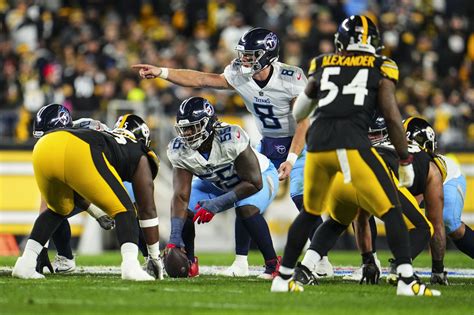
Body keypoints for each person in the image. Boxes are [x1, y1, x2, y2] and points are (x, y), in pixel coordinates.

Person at [132, 27, 330, 277]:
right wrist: (162, 72)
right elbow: (203, 79)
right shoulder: (240, 74)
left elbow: (303, 121)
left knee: (302, 200)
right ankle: (241, 260)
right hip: (268, 142)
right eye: (244, 54)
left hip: (300, 142)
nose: (244, 59)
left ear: (268, 54)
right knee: (245, 200)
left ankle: (320, 257)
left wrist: (291, 158)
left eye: (251, 55)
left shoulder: (291, 77)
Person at [270, 15, 440, 296]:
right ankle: (407, 282)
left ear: (340, 42)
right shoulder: (381, 66)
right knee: (392, 211)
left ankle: (284, 277)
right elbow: (393, 118)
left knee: (310, 214)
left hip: (318, 147)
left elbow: (301, 111)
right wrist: (405, 159)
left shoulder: (322, 63)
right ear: (373, 42)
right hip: (351, 147)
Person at [12, 108, 162, 281]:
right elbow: (147, 209)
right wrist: (155, 257)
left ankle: (25, 263)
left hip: (42, 147)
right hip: (79, 146)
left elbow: (52, 201)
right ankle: (130, 266)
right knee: (126, 210)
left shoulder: (106, 136)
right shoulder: (141, 153)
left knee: (57, 210)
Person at [166, 96, 280, 278]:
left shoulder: (231, 137)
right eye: (184, 129)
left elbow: (254, 182)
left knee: (245, 207)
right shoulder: (179, 149)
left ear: (208, 123)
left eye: (192, 128)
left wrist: (217, 204)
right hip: (217, 183)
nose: (187, 134)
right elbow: (180, 196)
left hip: (261, 176)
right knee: (185, 209)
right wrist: (174, 237)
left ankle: (273, 264)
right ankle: (188, 262)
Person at [404, 117, 473, 281]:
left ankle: (437, 271)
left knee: (448, 222)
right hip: (426, 180)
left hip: (448, 177)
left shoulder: (430, 163)